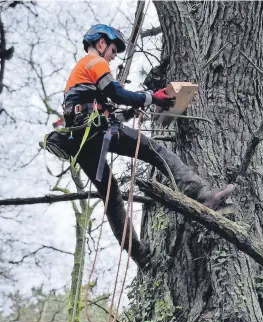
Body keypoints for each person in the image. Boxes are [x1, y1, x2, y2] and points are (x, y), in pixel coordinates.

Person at [46, 24, 234, 268]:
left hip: (84, 140)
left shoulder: (80, 78)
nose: (113, 56)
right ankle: (202, 195)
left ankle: (140, 254)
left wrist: (131, 111)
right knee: (156, 151)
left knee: (111, 195)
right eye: (113, 49)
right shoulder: (94, 62)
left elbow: (106, 109)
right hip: (95, 131)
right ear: (101, 44)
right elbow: (117, 93)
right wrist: (152, 98)